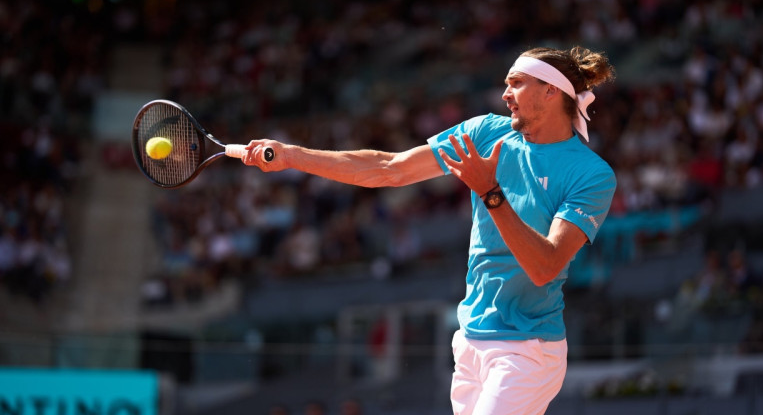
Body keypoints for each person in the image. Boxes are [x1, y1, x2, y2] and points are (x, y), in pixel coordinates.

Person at [241, 46, 617, 415]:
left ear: (551, 91)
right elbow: (391, 168)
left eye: (516, 83)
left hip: (529, 350)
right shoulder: (485, 131)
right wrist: (292, 156)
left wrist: (489, 192)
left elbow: (544, 267)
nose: (504, 94)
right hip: (471, 341)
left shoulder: (592, 174)